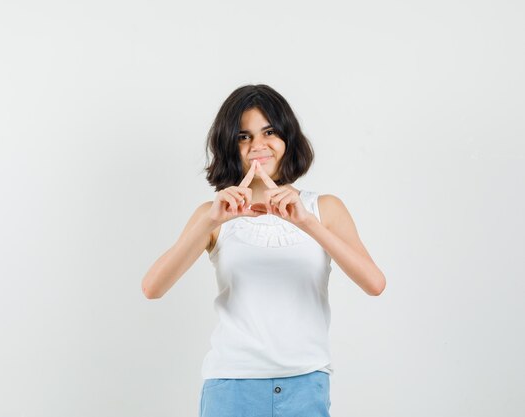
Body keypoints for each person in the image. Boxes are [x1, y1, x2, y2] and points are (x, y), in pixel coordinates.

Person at [141, 84, 386, 417]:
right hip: (231, 387)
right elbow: (152, 288)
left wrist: (306, 222)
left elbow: (374, 283)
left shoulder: (323, 208)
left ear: (287, 137)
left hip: (305, 384)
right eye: (244, 137)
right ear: (230, 145)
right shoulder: (213, 214)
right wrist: (211, 220)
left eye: (269, 132)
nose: (258, 146)